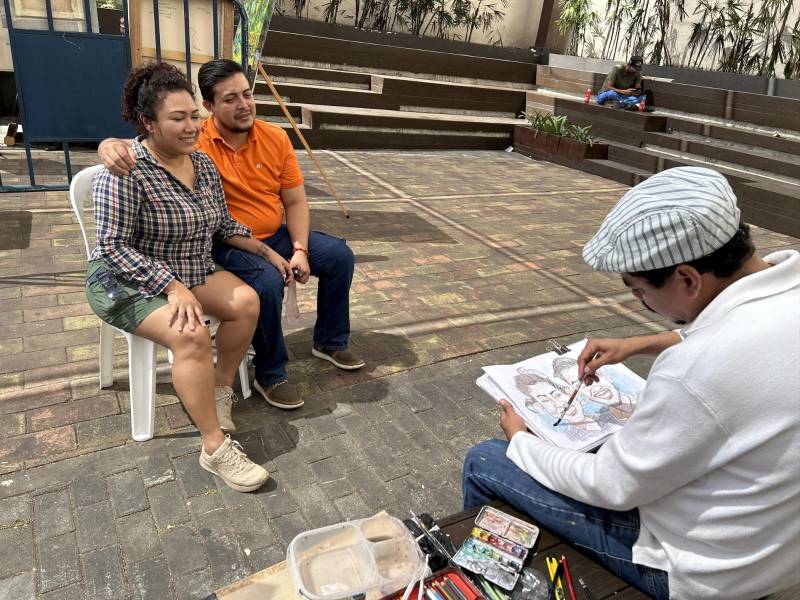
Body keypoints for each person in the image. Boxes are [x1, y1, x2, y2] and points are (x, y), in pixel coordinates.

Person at [463, 167, 800, 599]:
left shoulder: (692, 369)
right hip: (779, 550)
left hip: (708, 575)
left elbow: (611, 486)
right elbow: (741, 338)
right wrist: (640, 344)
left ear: (688, 279)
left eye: (638, 290)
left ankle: (484, 579)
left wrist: (522, 441)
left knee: (488, 460)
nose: (640, 303)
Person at [98, 59, 364, 411]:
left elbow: (296, 200)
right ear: (210, 107)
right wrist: (108, 145)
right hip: (224, 243)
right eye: (229, 99)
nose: (243, 105)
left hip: (271, 235)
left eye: (247, 94)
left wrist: (299, 248)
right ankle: (270, 373)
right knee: (266, 283)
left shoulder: (275, 137)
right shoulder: (197, 142)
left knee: (338, 256)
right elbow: (149, 141)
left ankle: (329, 340)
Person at [86, 62, 269, 492]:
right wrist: (171, 287)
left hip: (188, 270)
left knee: (247, 302)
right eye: (177, 118)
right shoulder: (126, 169)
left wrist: (269, 252)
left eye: (194, 116)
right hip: (125, 281)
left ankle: (218, 390)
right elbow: (112, 247)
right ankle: (214, 448)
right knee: (190, 336)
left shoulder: (202, 165)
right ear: (148, 122)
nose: (191, 127)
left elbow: (222, 223)